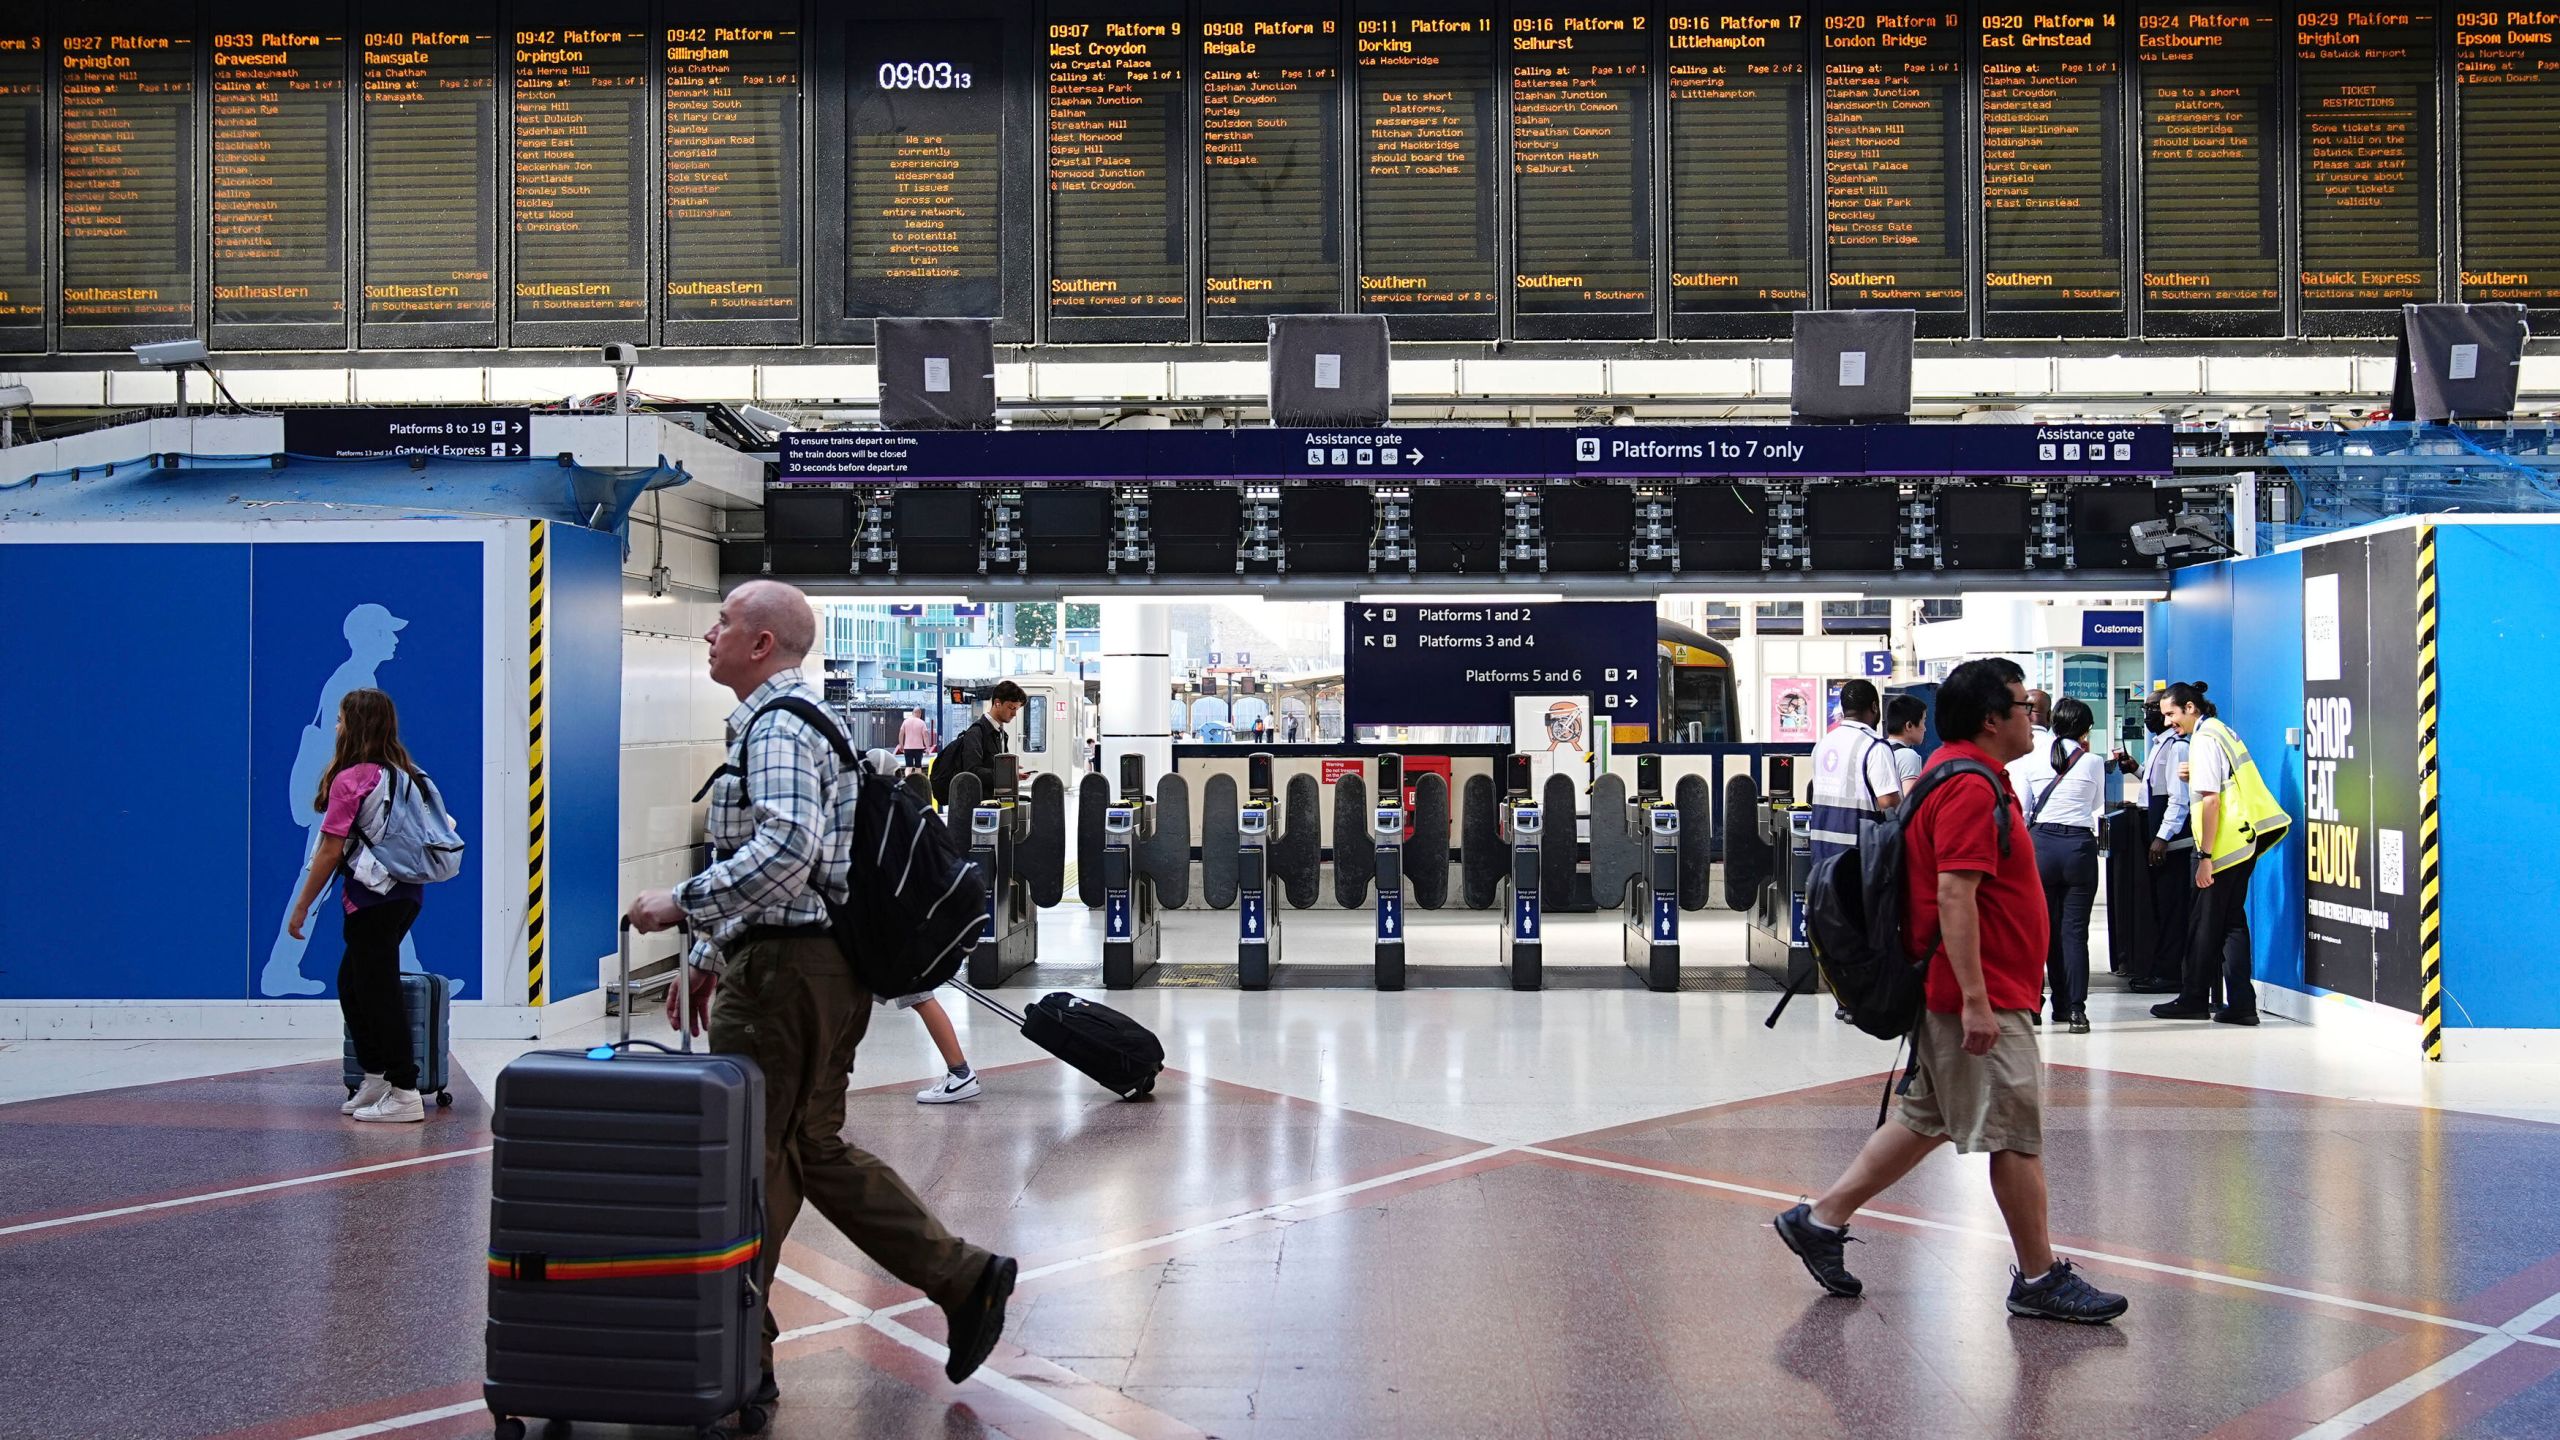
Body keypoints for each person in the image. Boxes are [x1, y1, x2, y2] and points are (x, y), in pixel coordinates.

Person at [628, 580, 1015, 1406]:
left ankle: (736, 1360)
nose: (708, 633)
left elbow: (786, 853)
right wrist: (708, 951)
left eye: (724, 622)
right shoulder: (804, 723)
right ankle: (960, 1278)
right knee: (810, 1147)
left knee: (756, 1158)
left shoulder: (774, 728)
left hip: (785, 976)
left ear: (761, 644)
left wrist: (681, 908)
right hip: (812, 968)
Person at [1772, 658, 2129, 1325]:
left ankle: (1821, 1221)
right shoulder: (1968, 787)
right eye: (2025, 706)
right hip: (1982, 992)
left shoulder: (1958, 773)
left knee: (1923, 1120)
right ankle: (2039, 1277)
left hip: (1977, 988)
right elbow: (1954, 895)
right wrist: (1974, 1001)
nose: (2035, 716)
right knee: (2016, 1136)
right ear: (1992, 719)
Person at [284, 688, 431, 1124]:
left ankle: (404, 1089)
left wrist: (301, 907)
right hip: (405, 895)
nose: (336, 726)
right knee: (353, 983)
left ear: (356, 725)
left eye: (342, 719)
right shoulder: (408, 774)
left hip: (371, 900)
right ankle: (377, 1076)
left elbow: (331, 851)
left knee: (376, 990)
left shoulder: (353, 779)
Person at [2150, 681, 2291, 1026]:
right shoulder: (2219, 731)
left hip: (2223, 846)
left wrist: (2207, 856)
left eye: (2171, 713)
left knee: (2203, 924)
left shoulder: (2204, 739)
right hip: (2241, 842)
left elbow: (2211, 799)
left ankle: (2194, 999)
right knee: (2231, 924)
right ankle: (2241, 1003)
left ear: (2190, 708)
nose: (2168, 721)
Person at [2028, 696, 2106, 1033]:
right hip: (2078, 848)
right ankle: (2074, 1010)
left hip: (2041, 847)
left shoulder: (2032, 760)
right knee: (2074, 933)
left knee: (2039, 931)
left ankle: (2032, 1005)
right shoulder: (2093, 762)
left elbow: (2022, 805)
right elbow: (2097, 804)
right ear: (2086, 729)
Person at [2128, 695, 2194, 995]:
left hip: (2173, 841)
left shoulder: (2178, 746)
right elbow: (2157, 785)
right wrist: (2135, 769)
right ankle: (2160, 967)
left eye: (2156, 710)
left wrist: (2162, 837)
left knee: (2172, 907)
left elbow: (2178, 797)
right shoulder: (2160, 745)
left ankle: (2169, 972)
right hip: (2157, 830)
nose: (2153, 716)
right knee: (2160, 905)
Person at [1805, 679, 1902, 868]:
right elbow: (1888, 802)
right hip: (1859, 859)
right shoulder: (1874, 745)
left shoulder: (1823, 744)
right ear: (1875, 707)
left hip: (1821, 856)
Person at [933, 680, 1026, 805]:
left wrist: (1011, 772)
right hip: (979, 806)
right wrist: (1005, 774)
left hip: (995, 802)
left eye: (1017, 709)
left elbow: (996, 768)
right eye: (1011, 708)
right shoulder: (976, 733)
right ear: (997, 703)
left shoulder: (1001, 734)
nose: (1014, 714)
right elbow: (972, 772)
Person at [1883, 693, 1928, 789]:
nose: (1925, 728)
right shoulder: (1908, 755)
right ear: (1909, 725)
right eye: (1923, 721)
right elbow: (1911, 799)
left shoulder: (1879, 749)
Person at [897, 706, 936, 772]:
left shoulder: (905, 722)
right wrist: (927, 748)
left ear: (913, 713)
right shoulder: (922, 723)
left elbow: (901, 733)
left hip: (908, 748)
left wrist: (901, 745)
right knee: (918, 766)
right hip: (919, 748)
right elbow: (925, 735)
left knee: (908, 766)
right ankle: (917, 780)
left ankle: (907, 779)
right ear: (919, 713)